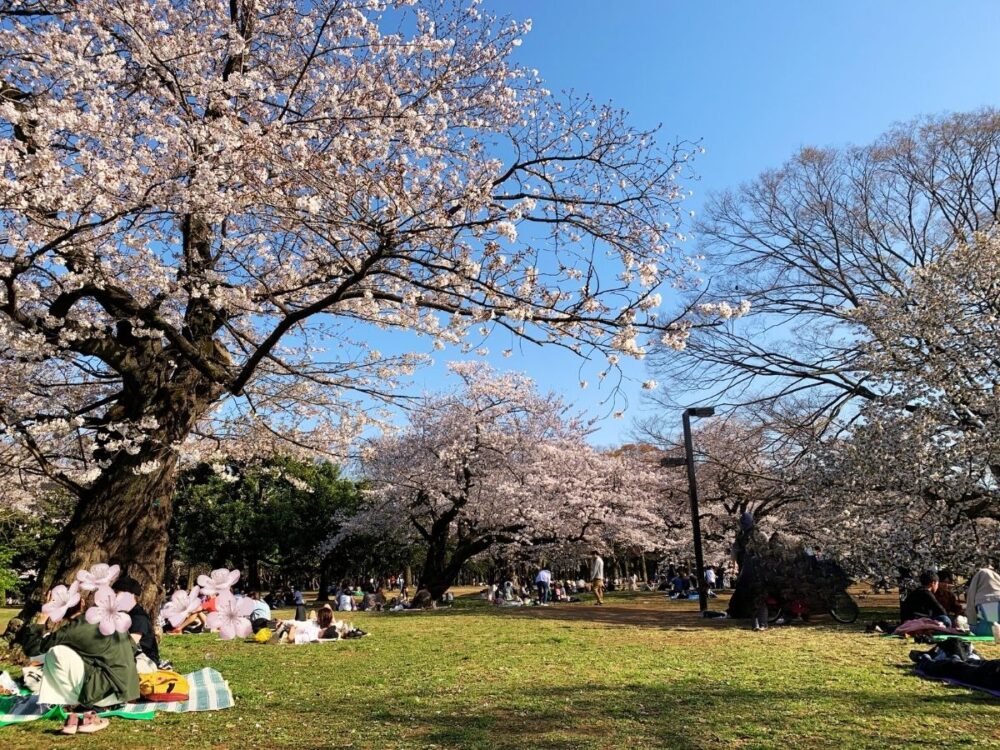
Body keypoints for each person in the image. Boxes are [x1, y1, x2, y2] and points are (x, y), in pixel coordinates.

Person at [16, 592, 140, 734]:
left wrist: (43, 616)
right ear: (81, 602)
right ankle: (79, 707)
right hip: (128, 687)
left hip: (109, 692)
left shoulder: (73, 630)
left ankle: (79, 708)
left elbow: (33, 649)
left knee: (56, 652)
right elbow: (132, 647)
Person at [112, 575, 162, 668]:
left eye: (117, 592)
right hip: (131, 659)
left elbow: (129, 645)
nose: (113, 596)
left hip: (145, 662)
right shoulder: (124, 615)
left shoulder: (138, 617)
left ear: (130, 595)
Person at [966, 566, 1000, 634]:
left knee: (989, 630)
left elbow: (971, 599)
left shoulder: (979, 577)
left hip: (987, 603)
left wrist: (971, 622)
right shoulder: (997, 579)